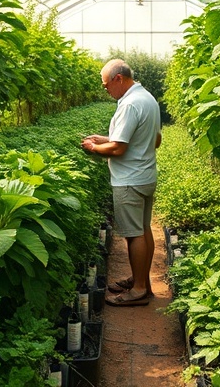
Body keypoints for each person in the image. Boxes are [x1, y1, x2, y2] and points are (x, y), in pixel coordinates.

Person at [81, 59, 161, 306]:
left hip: (129, 179)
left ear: (118, 78)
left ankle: (138, 291)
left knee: (133, 234)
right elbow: (153, 139)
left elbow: (117, 149)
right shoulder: (147, 98)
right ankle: (142, 281)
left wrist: (94, 148)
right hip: (145, 175)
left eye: (106, 85)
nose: (106, 90)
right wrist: (108, 137)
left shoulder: (129, 104)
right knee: (144, 229)